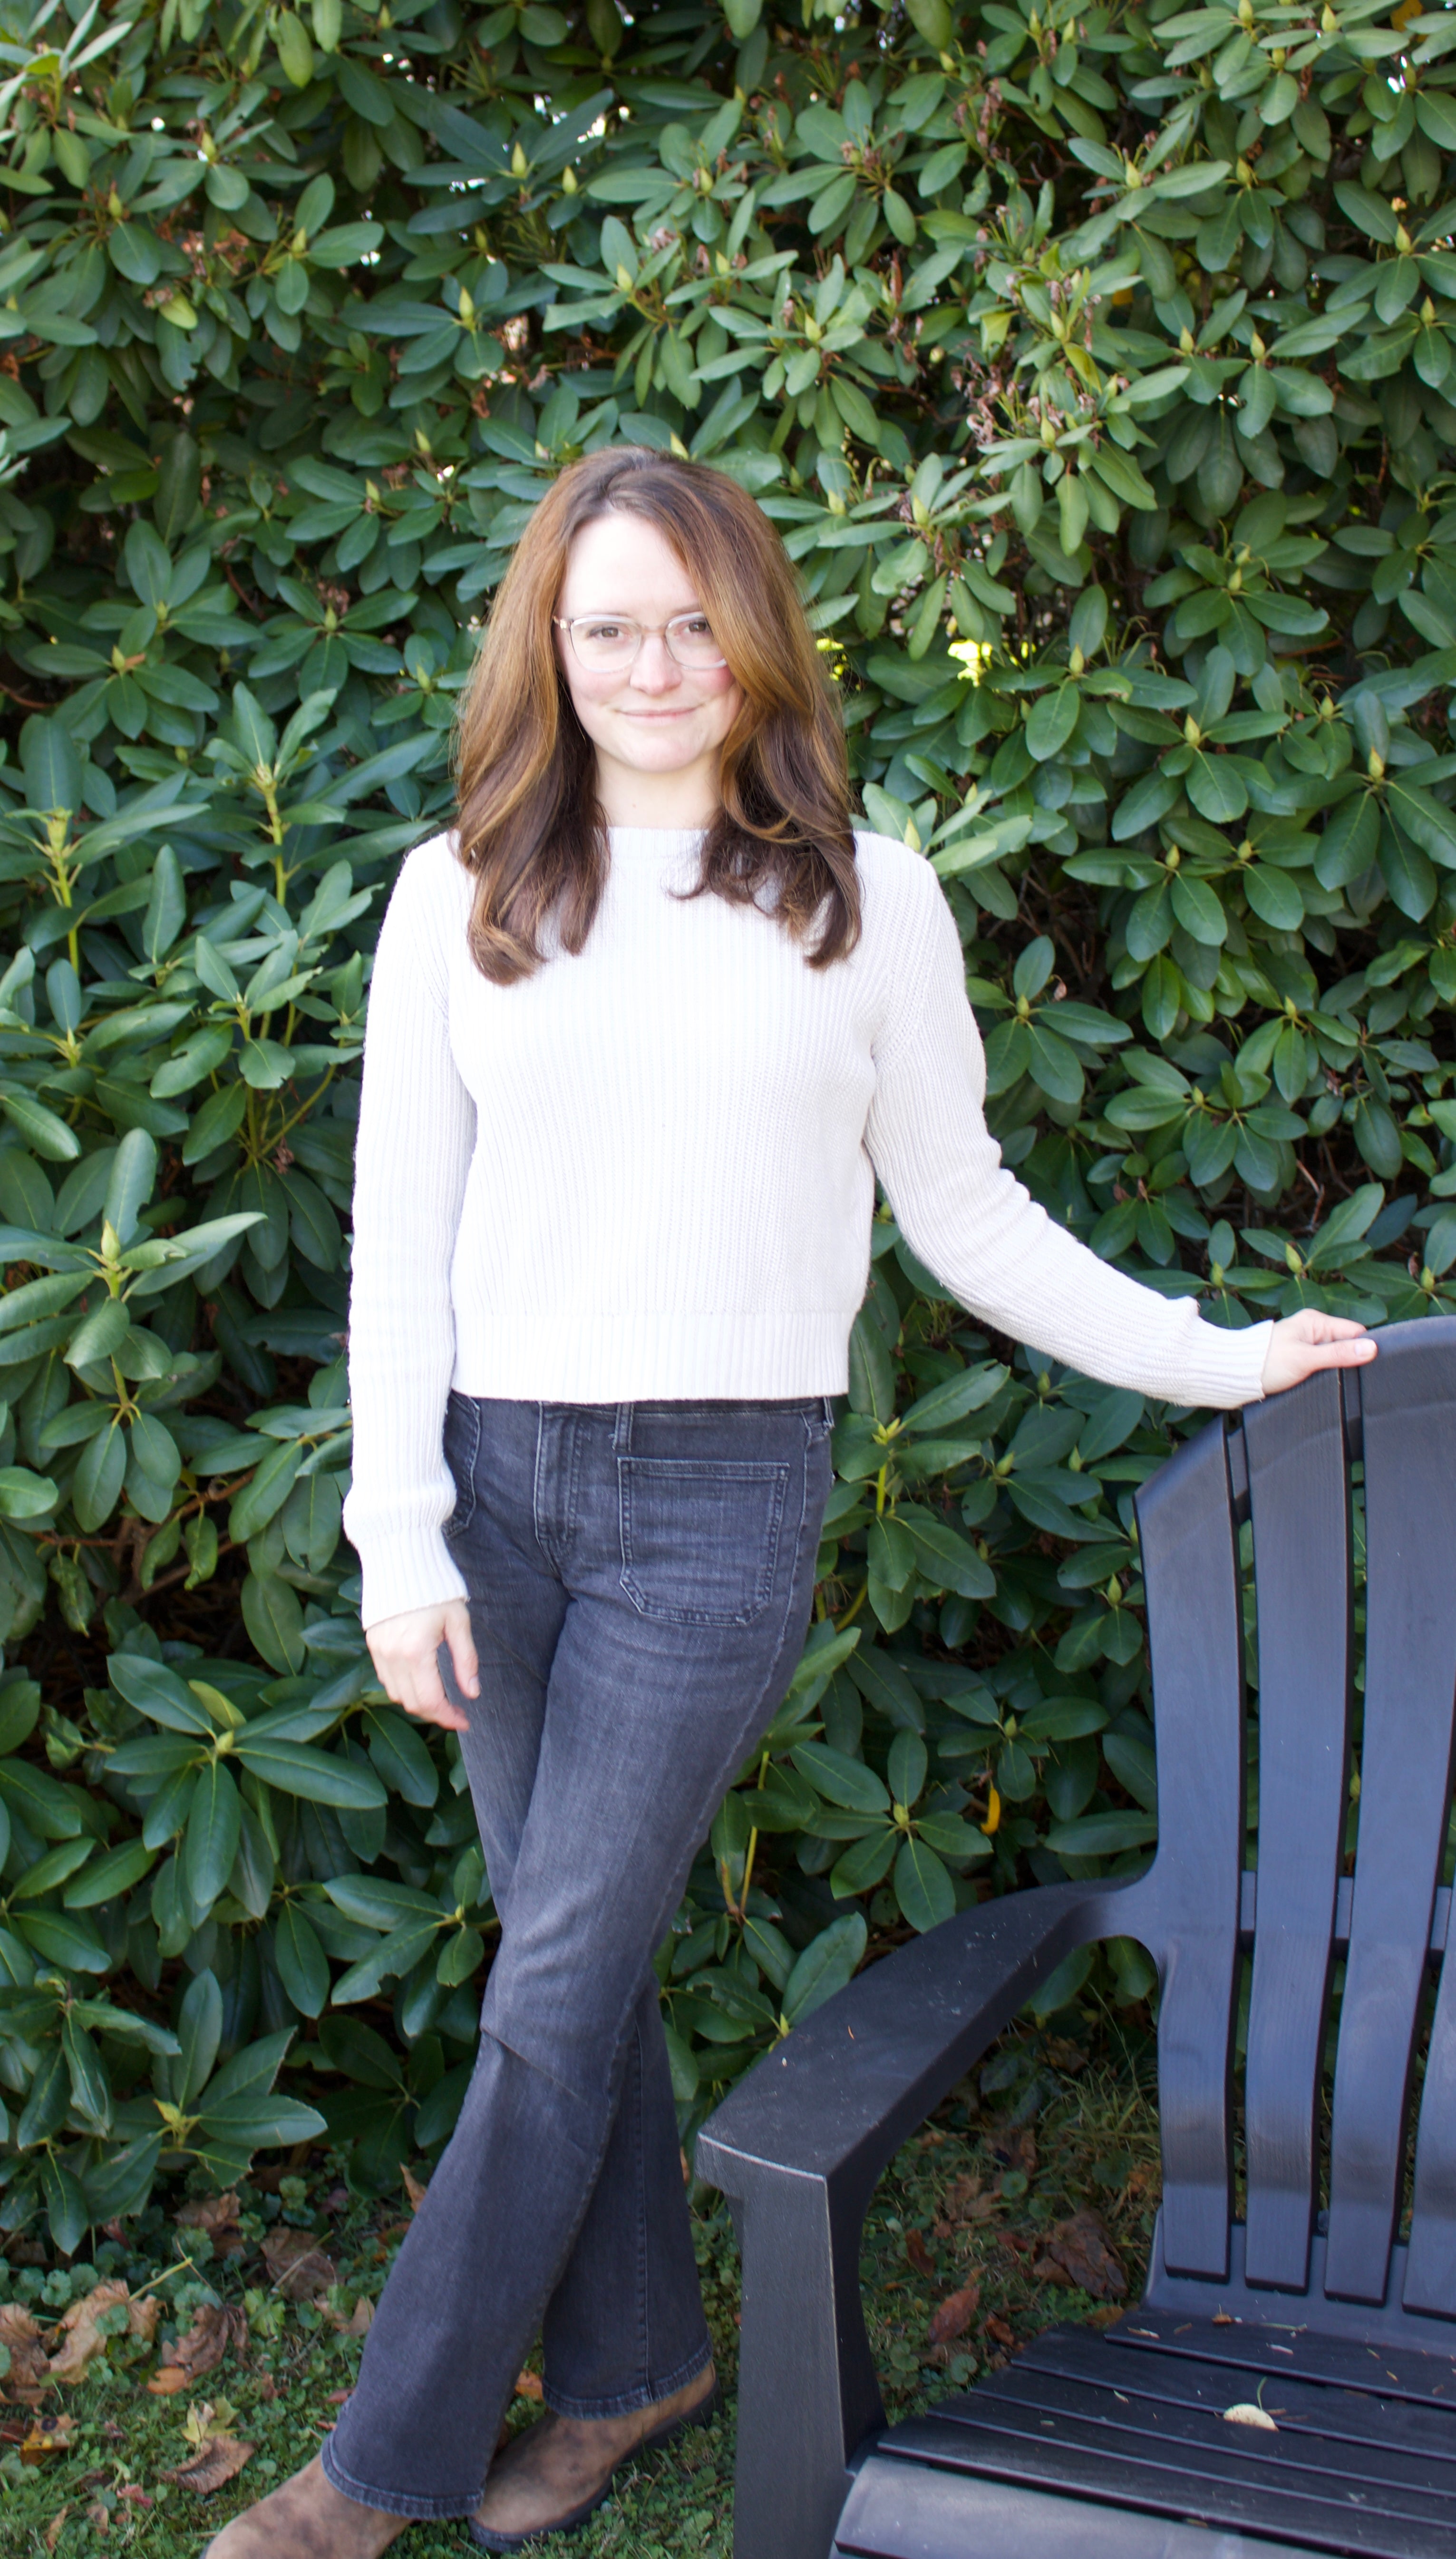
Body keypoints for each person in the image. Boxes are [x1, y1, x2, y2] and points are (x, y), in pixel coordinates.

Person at [209, 446, 1374, 2558]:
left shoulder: (864, 894)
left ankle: (369, 2469)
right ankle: (643, 2360)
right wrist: (396, 1535)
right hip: (496, 1492)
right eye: (605, 627)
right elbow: (397, 1241)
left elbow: (969, 1212)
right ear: (544, 654)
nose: (652, 665)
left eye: (688, 622)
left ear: (752, 636)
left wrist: (1220, 1350)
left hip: (711, 1510)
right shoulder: (448, 893)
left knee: (552, 1977)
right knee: (583, 1965)